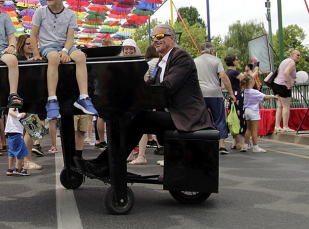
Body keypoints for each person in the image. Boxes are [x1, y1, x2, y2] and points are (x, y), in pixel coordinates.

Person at [79, 24, 214, 178]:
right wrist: (129, 92)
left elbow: (167, 87)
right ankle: (104, 162)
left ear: (172, 38)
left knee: (142, 119)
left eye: (160, 36)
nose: (155, 40)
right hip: (175, 114)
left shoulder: (181, 57)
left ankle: (107, 165)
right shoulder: (161, 61)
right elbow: (150, 84)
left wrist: (138, 95)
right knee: (131, 119)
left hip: (188, 116)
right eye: (154, 37)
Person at [30, 0, 98, 120]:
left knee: (80, 56)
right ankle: (52, 99)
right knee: (53, 57)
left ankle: (84, 96)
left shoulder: (70, 14)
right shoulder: (40, 12)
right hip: (48, 46)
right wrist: (36, 52)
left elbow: (70, 38)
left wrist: (65, 51)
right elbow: (33, 34)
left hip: (65, 46)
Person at [195, 42, 235, 155]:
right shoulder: (216, 60)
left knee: (200, 119)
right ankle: (221, 145)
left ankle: (201, 144)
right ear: (212, 50)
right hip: (214, 93)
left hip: (200, 93)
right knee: (219, 119)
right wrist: (231, 93)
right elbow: (223, 76)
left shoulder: (195, 61)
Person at [242, 74, 277, 153]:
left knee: (248, 129)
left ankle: (245, 145)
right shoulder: (254, 91)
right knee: (254, 130)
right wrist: (273, 96)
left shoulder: (245, 91)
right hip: (254, 111)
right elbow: (264, 96)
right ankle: (255, 147)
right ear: (251, 81)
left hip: (247, 110)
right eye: (254, 80)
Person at [273, 50, 301, 133]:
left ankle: (277, 126)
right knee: (286, 106)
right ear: (292, 55)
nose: (299, 57)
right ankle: (285, 126)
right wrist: (290, 84)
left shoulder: (284, 61)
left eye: (299, 55)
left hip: (276, 83)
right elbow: (286, 73)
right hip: (283, 85)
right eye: (297, 55)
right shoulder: (292, 62)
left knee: (279, 106)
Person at [225, 54, 247, 148]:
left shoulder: (227, 72)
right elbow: (246, 79)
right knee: (239, 118)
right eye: (236, 60)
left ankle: (234, 141)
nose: (237, 61)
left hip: (232, 94)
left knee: (233, 116)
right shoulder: (234, 72)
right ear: (233, 61)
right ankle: (239, 142)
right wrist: (253, 72)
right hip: (237, 95)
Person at [5, 108, 30, 176]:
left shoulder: (14, 103)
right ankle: (18, 169)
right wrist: (19, 115)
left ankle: (10, 169)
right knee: (21, 150)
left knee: (12, 151)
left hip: (11, 131)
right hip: (15, 131)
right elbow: (10, 111)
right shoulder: (15, 103)